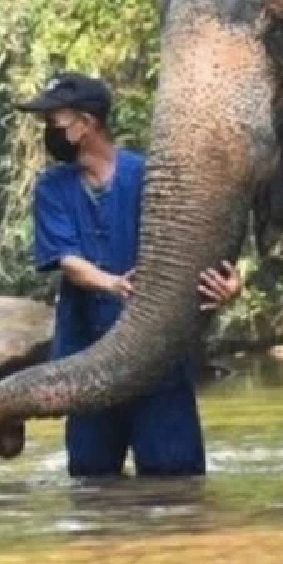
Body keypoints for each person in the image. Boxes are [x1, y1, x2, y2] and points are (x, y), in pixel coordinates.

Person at [15, 72, 242, 478]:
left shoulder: (153, 177)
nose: (49, 132)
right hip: (87, 361)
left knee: (176, 484)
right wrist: (115, 284)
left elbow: (197, 241)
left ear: (87, 123)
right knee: (92, 481)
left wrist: (229, 284)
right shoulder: (53, 187)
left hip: (158, 357)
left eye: (56, 122)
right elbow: (68, 261)